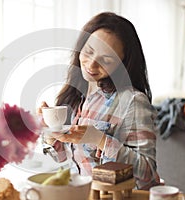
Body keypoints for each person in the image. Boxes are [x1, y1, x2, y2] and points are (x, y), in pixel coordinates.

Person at [38, 12, 160, 190]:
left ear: (122, 63)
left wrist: (99, 139)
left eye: (106, 59)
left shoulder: (132, 101)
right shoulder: (74, 95)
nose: (92, 64)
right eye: (88, 51)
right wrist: (51, 135)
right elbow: (69, 161)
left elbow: (147, 171)